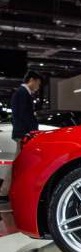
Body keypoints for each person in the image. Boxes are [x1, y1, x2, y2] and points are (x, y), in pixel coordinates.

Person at [0, 71, 43, 201]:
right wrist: (30, 132)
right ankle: (4, 191)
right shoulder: (22, 93)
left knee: (20, 163)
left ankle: (7, 191)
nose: (38, 87)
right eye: (38, 83)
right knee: (18, 164)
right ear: (32, 80)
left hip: (22, 133)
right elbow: (23, 115)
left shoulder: (21, 93)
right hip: (24, 134)